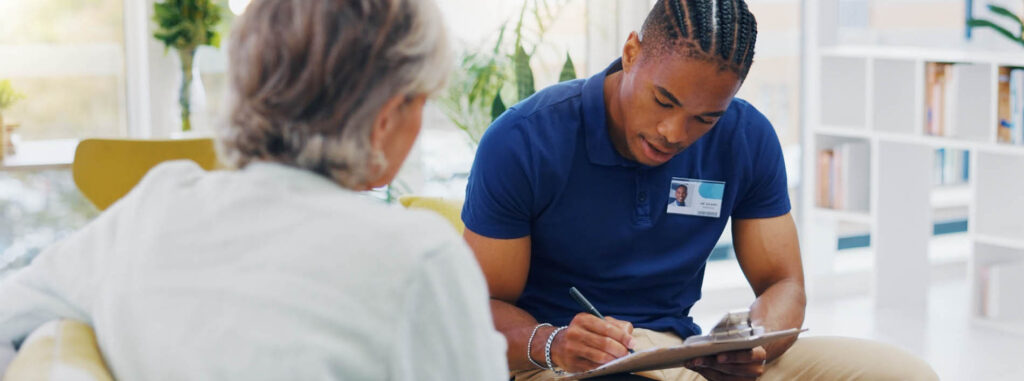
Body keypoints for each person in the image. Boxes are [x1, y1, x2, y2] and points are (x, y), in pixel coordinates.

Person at [0, 0, 509, 379]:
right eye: (422, 100)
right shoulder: (419, 257)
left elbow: (10, 317)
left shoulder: (154, 206)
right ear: (385, 117)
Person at [461, 0, 938, 380]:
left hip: (682, 355)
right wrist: (553, 343)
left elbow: (783, 284)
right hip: (565, 364)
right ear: (631, 52)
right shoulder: (524, 140)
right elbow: (477, 310)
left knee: (905, 375)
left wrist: (753, 342)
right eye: (662, 100)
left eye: (704, 118)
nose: (673, 133)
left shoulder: (746, 137)